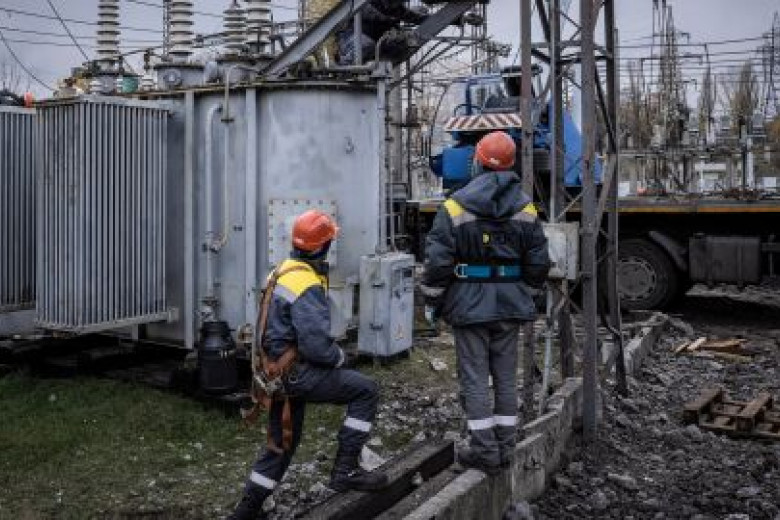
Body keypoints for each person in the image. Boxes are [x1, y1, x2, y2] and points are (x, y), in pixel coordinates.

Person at [229, 210, 388, 520]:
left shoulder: (280, 271)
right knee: (366, 390)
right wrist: (339, 357)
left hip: (274, 374)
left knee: (280, 445)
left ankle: (245, 512)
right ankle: (345, 470)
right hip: (296, 374)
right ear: (323, 247)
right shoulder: (306, 283)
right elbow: (316, 346)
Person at [421, 131, 549, 475]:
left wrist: (432, 299)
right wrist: (527, 292)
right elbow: (539, 262)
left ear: (477, 161)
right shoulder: (525, 206)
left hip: (469, 305)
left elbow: (437, 262)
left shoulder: (454, 206)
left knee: (475, 378)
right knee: (505, 377)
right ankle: (506, 446)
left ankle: (483, 450)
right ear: (511, 165)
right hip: (509, 304)